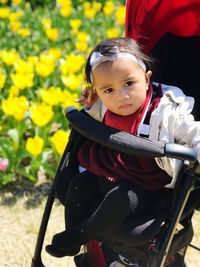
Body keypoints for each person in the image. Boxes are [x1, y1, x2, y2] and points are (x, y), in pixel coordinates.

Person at [46, 37, 200, 259]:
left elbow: (193, 131)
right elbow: (97, 115)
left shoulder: (167, 110)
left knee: (121, 198)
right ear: (98, 91)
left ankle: (80, 234)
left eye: (129, 83)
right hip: (108, 170)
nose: (121, 96)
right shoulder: (104, 106)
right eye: (108, 90)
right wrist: (91, 107)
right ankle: (79, 246)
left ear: (147, 79)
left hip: (146, 183)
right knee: (78, 185)